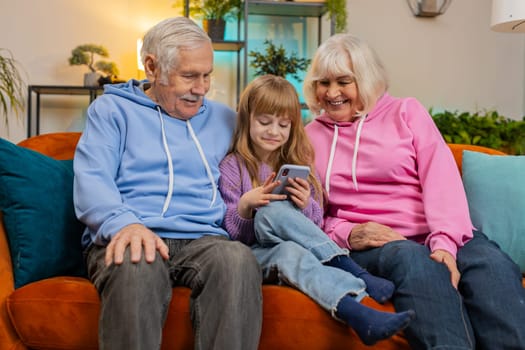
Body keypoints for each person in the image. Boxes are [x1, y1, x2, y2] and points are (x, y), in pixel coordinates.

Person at [303, 33, 525, 350]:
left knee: (491, 265)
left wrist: (446, 243)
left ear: (365, 80)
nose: (332, 93)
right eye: (323, 83)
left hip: (440, 230)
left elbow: (441, 179)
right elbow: (306, 212)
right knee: (414, 260)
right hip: (377, 242)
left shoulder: (406, 112)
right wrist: (347, 232)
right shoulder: (310, 136)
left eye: (343, 81)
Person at [73, 17, 262, 350]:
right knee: (136, 262)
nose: (201, 88)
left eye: (207, 76)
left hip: (204, 240)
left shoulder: (225, 119)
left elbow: (266, 159)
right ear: (151, 67)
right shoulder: (111, 111)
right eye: (189, 76)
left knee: (237, 260)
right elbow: (92, 181)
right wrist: (125, 225)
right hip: (132, 230)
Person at [218, 74, 414, 346]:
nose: (274, 131)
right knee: (269, 212)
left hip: (292, 251)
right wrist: (244, 207)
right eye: (264, 122)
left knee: (290, 249)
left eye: (283, 124)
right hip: (252, 254)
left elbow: (316, 223)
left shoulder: (299, 165)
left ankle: (358, 314)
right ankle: (352, 269)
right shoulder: (232, 167)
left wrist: (304, 203)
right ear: (247, 119)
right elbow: (233, 237)